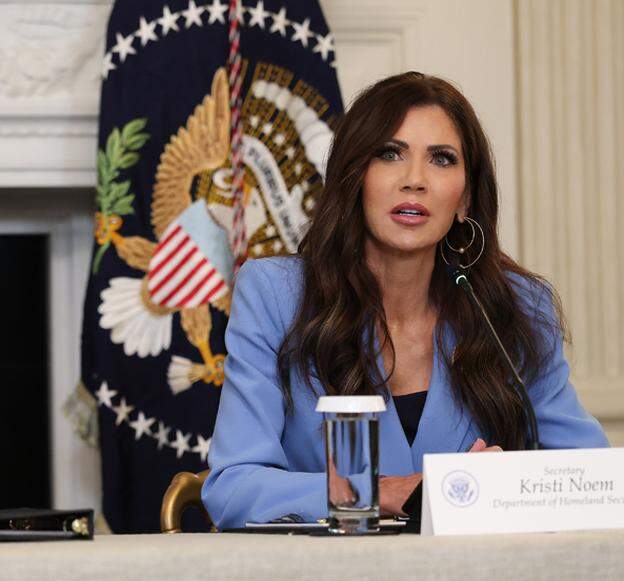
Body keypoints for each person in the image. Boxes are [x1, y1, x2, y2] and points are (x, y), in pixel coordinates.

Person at [202, 72, 608, 529]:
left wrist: (503, 484)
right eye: (390, 154)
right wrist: (378, 492)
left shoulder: (516, 308)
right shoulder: (276, 296)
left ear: (466, 198)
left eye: (441, 159)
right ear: (356, 177)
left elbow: (589, 476)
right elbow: (233, 487)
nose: (415, 180)